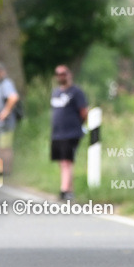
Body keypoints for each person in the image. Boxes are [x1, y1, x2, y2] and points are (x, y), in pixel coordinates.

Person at [51, 64, 88, 202]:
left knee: (67, 161)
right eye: (58, 74)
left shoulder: (76, 92)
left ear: (69, 74)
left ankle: (64, 190)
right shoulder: (55, 92)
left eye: (63, 73)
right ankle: (69, 190)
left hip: (71, 132)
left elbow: (84, 112)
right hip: (57, 133)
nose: (61, 76)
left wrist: (80, 125)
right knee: (62, 162)